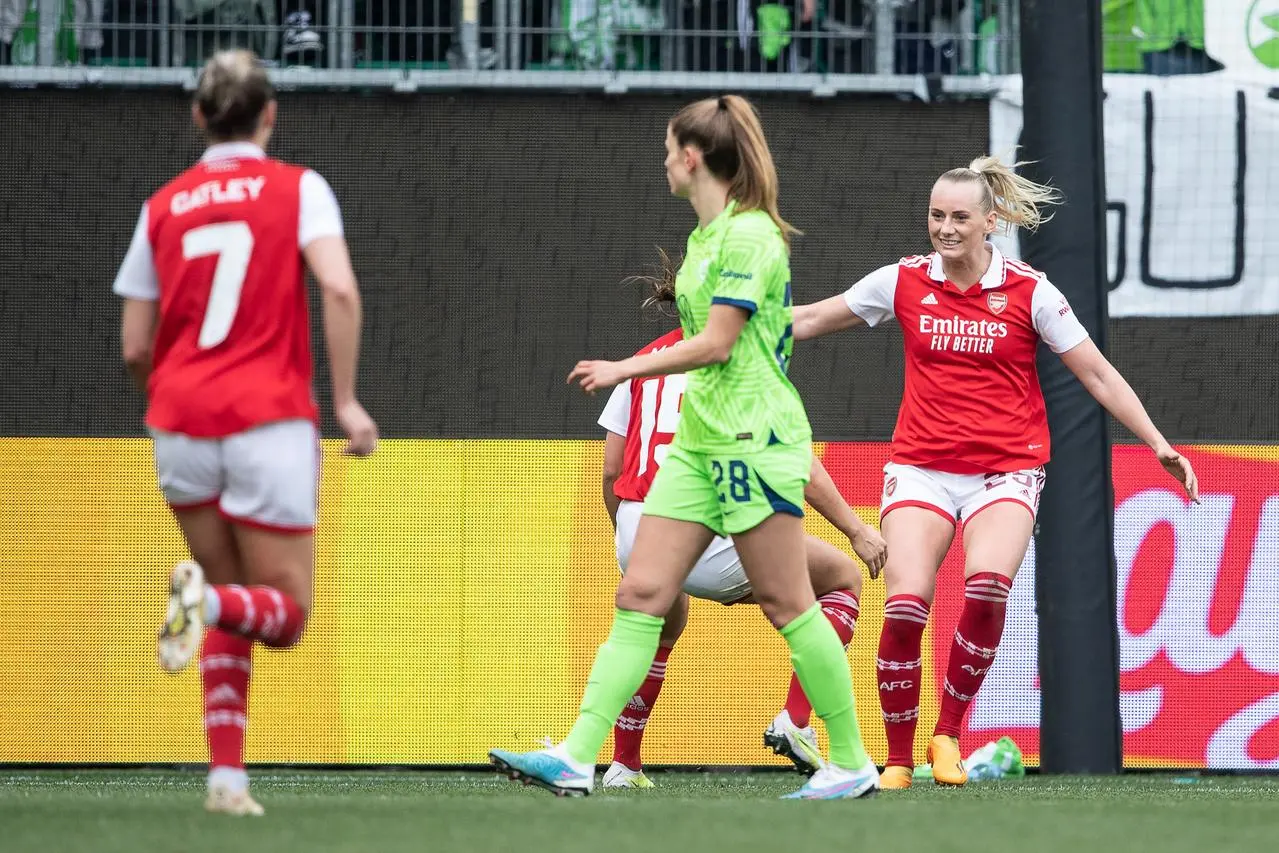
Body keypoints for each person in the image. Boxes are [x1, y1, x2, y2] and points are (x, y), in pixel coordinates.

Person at [489, 94, 881, 801]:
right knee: (640, 592)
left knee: (788, 601)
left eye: (669, 149)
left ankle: (850, 760)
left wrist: (624, 368)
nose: (664, 161)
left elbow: (719, 342)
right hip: (700, 444)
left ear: (693, 158)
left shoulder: (751, 236)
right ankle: (578, 756)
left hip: (754, 439)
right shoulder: (705, 238)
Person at [790, 155, 1200, 789]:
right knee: (905, 606)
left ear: (990, 222)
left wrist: (1158, 444)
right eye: (936, 216)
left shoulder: (1033, 292)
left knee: (986, 589)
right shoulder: (902, 280)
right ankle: (896, 759)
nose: (945, 228)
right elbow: (812, 318)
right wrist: (725, 331)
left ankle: (947, 735)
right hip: (921, 467)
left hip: (1006, 471)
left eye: (960, 217)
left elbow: (1096, 373)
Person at [111, 49, 378, 815]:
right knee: (283, 615)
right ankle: (205, 607)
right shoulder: (299, 188)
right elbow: (338, 287)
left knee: (227, 591)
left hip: (180, 422)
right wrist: (348, 401)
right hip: (268, 418)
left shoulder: (163, 206)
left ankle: (227, 780)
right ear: (270, 115)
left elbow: (134, 345)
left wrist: (169, 402)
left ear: (198, 116)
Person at [596, 271, 888, 787]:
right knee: (842, 577)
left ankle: (623, 764)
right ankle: (796, 720)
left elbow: (612, 472)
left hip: (638, 525)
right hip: (706, 534)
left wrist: (636, 544)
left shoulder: (642, 363)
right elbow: (795, 462)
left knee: (662, 623)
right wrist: (855, 529)